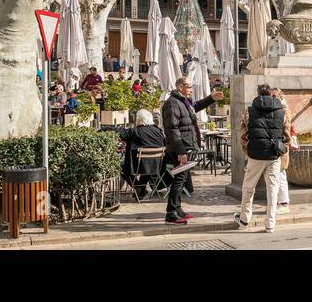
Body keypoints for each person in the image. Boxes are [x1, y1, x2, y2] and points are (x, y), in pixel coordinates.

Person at [161, 75, 224, 225]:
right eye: (189, 86)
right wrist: (181, 151)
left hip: (186, 146)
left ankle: (177, 208)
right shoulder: (172, 103)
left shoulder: (182, 102)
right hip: (180, 148)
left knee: (181, 179)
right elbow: (172, 129)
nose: (191, 89)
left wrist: (211, 98)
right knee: (178, 180)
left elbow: (193, 108)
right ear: (180, 87)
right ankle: (171, 213)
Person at [236, 84, 289, 232]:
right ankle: (270, 224)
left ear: (258, 94)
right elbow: (287, 135)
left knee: (248, 187)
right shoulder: (281, 112)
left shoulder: (249, 111)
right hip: (273, 155)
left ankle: (244, 220)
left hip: (255, 155)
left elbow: (243, 132)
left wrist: (247, 149)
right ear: (271, 94)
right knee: (272, 189)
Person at [116, 109, 166, 198]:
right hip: (157, 166)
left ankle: (139, 189)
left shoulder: (136, 131)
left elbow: (120, 132)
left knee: (123, 169)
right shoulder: (158, 131)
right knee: (148, 165)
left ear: (139, 120)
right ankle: (141, 190)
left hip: (138, 166)